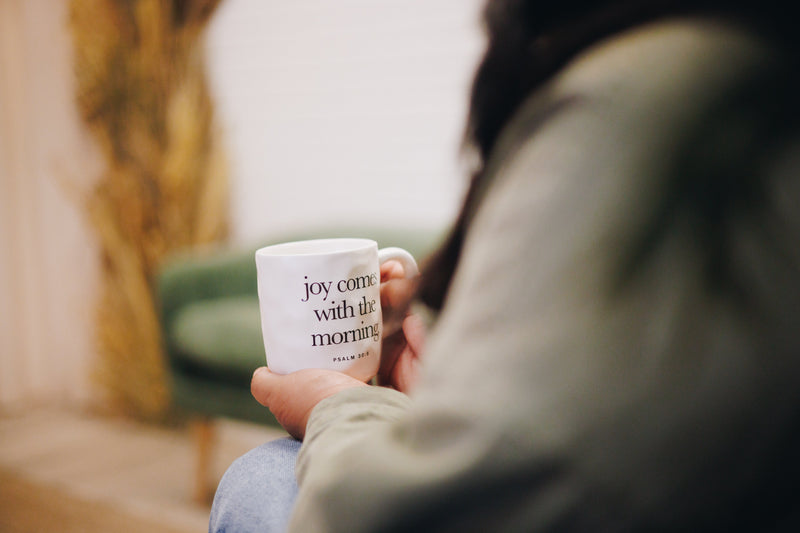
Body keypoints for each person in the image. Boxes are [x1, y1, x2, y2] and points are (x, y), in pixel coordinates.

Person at [210, 1, 800, 531]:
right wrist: (451, 372)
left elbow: (432, 505)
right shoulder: (716, 62)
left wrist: (335, 406)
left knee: (260, 478)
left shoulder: (639, 99)